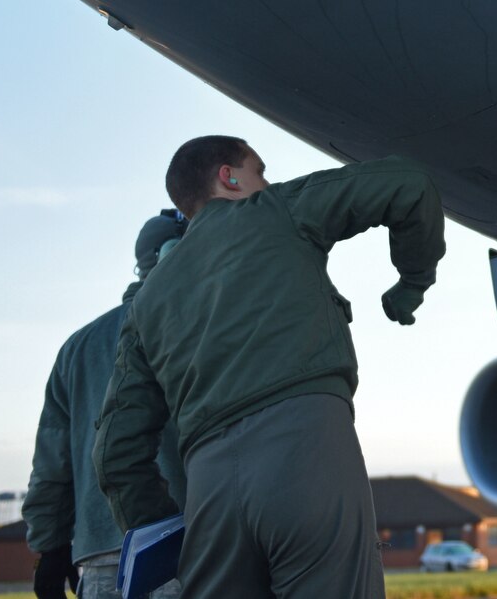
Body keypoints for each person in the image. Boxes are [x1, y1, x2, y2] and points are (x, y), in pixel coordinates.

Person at [95, 137, 444, 599]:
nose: (267, 182)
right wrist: (413, 280)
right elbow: (409, 182)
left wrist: (162, 529)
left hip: (208, 492)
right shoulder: (274, 209)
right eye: (259, 170)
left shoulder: (146, 303)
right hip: (306, 452)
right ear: (229, 176)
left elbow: (116, 449)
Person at [26, 210, 189, 599]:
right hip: (187, 547)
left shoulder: (78, 347)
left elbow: (52, 463)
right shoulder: (202, 323)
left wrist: (51, 547)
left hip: (100, 559)